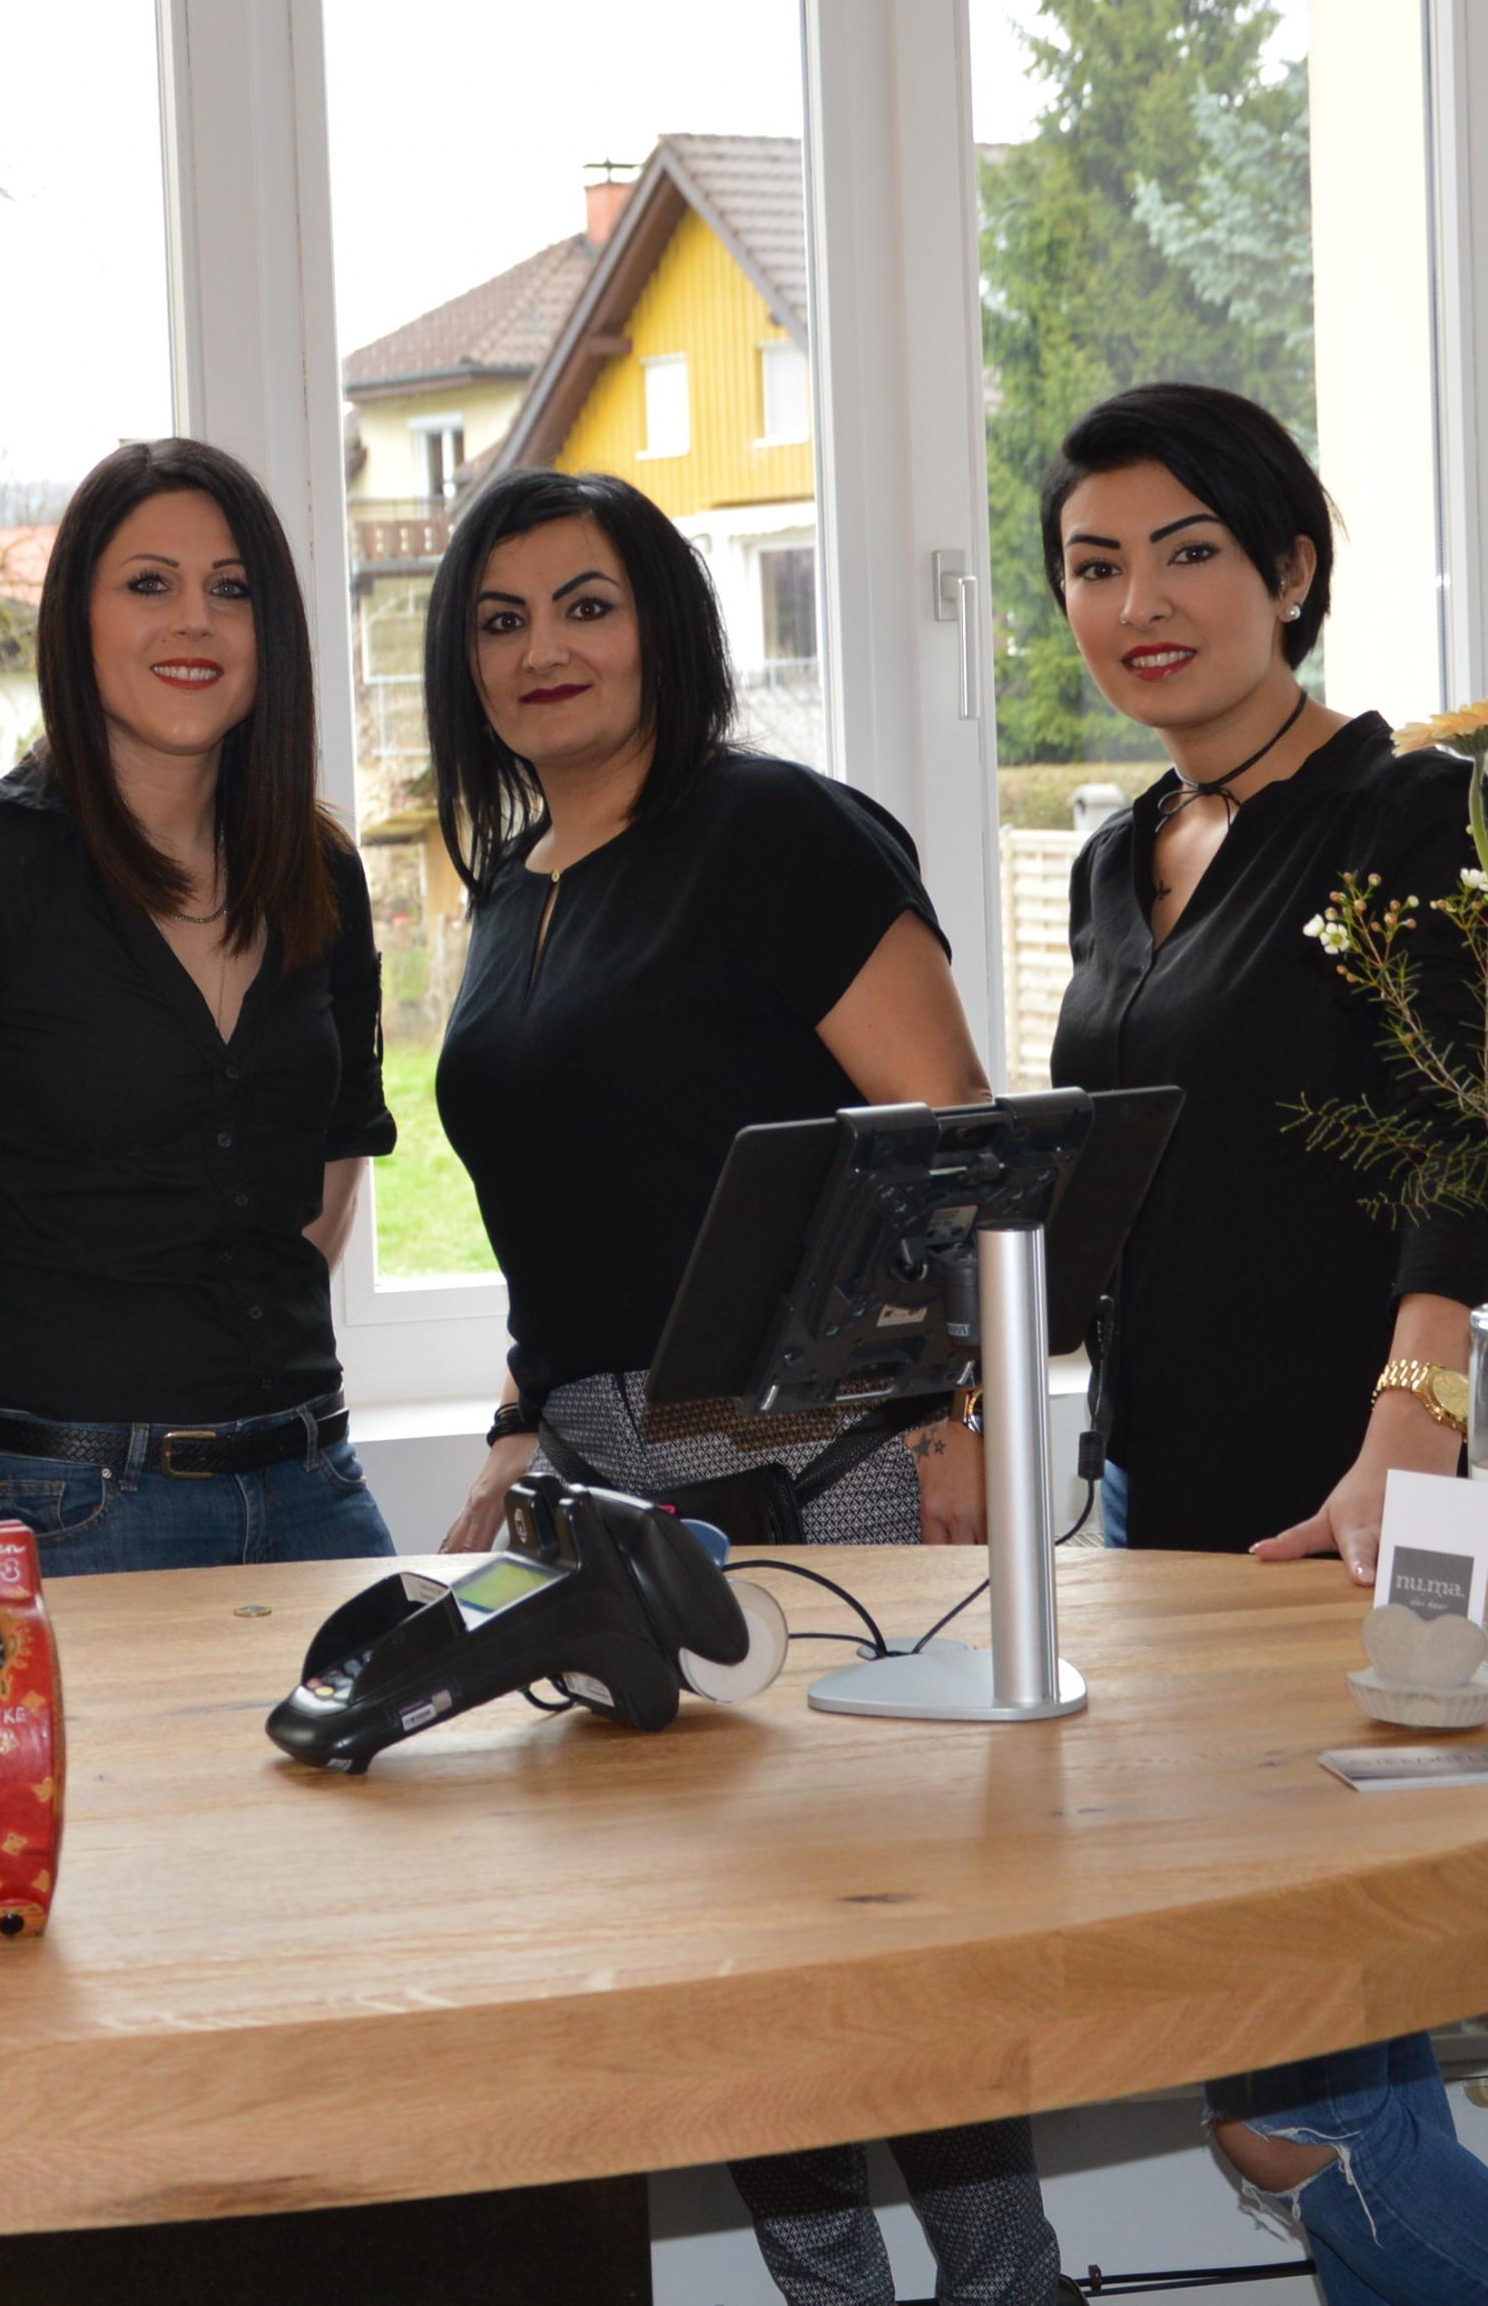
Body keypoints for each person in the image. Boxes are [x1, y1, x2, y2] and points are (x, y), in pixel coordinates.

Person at [421, 470, 1067, 2306]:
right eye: (499, 618)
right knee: (736, 1953)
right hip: (620, 1492)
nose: (543, 648)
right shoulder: (508, 894)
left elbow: (954, 1137)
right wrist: (518, 1430)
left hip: (831, 1460)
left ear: (665, 626)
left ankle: (1008, 2286)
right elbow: (570, 1214)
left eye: (587, 603)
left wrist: (960, 1423)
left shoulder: (775, 829)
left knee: (897, 1946)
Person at [1044, 381, 1488, 2306]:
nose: (1138, 602)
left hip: (1372, 1510)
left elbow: (1470, 1147)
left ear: (1289, 566)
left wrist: (1407, 1439)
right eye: (1094, 564)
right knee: (1304, 2068)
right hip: (1164, 1513)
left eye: (1187, 551)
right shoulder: (1120, 853)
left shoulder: (1418, 812)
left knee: (1309, 2104)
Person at [0, 439, 397, 1572]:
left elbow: (341, 1141)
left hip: (312, 1479)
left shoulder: (320, 870)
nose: (192, 620)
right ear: (77, 619)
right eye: (149, 583)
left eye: (231, 588)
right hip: (63, 1497)